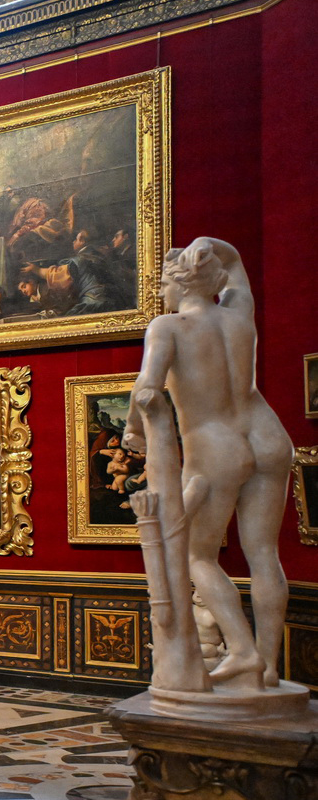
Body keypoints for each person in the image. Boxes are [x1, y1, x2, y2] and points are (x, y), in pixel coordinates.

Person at [124, 237, 294, 690]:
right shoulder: (239, 312)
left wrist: (134, 427)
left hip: (215, 442)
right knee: (264, 554)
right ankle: (269, 667)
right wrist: (207, 243)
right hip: (268, 434)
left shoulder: (167, 326)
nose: (162, 294)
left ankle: (242, 651)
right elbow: (234, 259)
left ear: (181, 285)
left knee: (196, 554)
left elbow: (147, 386)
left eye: (164, 285)